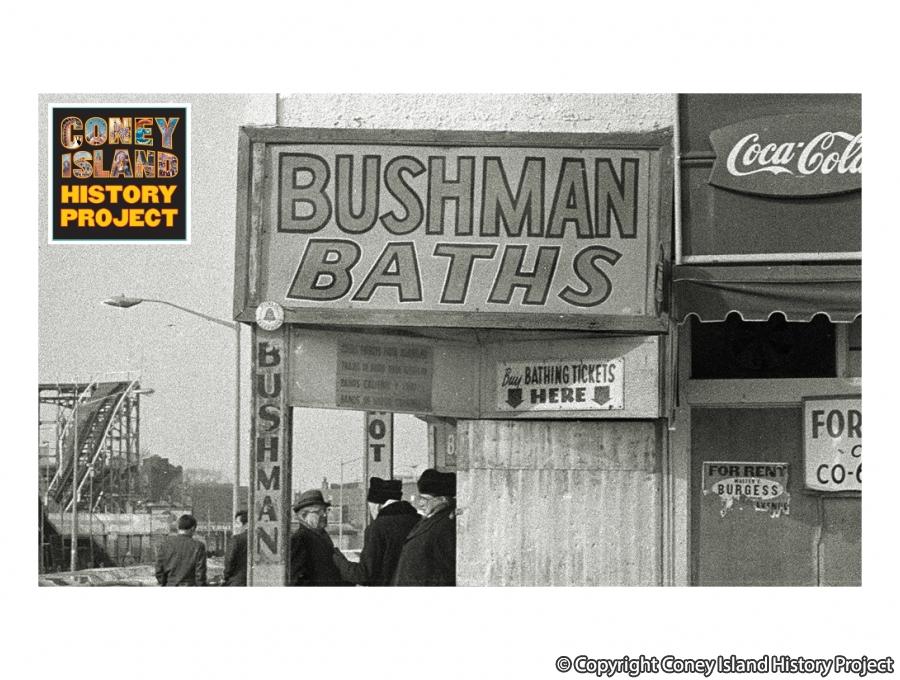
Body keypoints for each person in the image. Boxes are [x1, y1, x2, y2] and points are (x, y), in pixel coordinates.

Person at [332, 477, 420, 586]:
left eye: (370, 507)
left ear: (377, 506)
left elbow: (364, 576)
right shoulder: (421, 521)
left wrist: (338, 561)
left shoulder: (377, 528)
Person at [392, 469, 457, 586]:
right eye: (420, 498)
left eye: (425, 499)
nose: (420, 503)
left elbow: (446, 570)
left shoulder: (446, 523)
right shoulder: (429, 520)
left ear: (442, 500)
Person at [289, 489, 350, 586]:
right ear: (304, 516)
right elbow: (297, 580)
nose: (325, 515)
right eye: (319, 512)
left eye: (325, 510)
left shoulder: (321, 536)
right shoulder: (300, 539)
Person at [155, 514, 207, 586]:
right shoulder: (198, 546)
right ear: (193, 528)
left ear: (178, 528)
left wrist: (165, 584)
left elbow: (159, 571)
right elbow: (200, 574)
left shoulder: (164, 545)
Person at [222, 510, 248, 586]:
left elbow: (229, 560)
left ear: (246, 524)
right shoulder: (259, 539)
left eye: (237, 523)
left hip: (237, 581)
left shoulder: (236, 539)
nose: (235, 527)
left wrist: (226, 576)